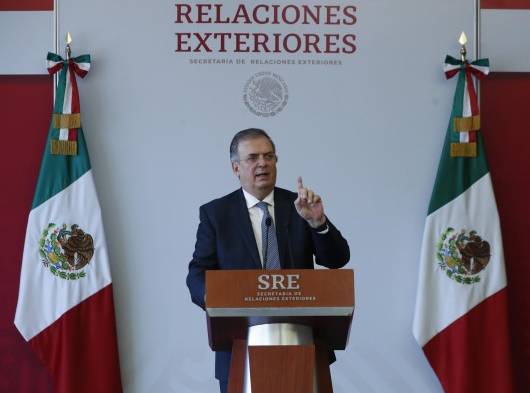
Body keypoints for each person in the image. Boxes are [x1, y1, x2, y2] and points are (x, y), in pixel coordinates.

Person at [186, 128, 350, 393]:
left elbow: (337, 259)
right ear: (235, 168)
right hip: (240, 348)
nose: (262, 163)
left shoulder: (300, 207)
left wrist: (318, 223)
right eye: (252, 158)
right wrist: (215, 298)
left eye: (269, 156)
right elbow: (197, 272)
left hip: (303, 344)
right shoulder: (216, 214)